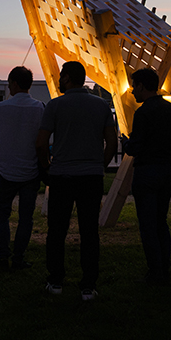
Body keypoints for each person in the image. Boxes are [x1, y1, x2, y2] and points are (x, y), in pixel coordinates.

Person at [36, 61, 117, 301]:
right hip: (91, 176)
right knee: (89, 232)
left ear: (68, 78)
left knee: (56, 231)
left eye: (62, 76)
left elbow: (41, 142)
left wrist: (46, 166)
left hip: (62, 175)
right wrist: (100, 165)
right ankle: (88, 286)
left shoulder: (55, 105)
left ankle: (56, 281)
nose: (59, 79)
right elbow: (112, 142)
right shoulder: (101, 105)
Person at [124, 67, 171, 284]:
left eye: (134, 86)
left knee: (148, 224)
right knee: (160, 221)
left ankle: (155, 271)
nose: (132, 91)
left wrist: (127, 143)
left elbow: (135, 147)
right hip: (168, 169)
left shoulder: (143, 113)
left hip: (147, 171)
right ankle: (164, 267)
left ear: (141, 86)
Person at [0, 66, 44, 271]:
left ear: (14, 83)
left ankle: (2, 255)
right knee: (26, 218)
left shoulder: (1, 107)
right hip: (30, 169)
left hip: (6, 168)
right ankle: (19, 257)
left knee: (2, 214)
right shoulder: (39, 107)